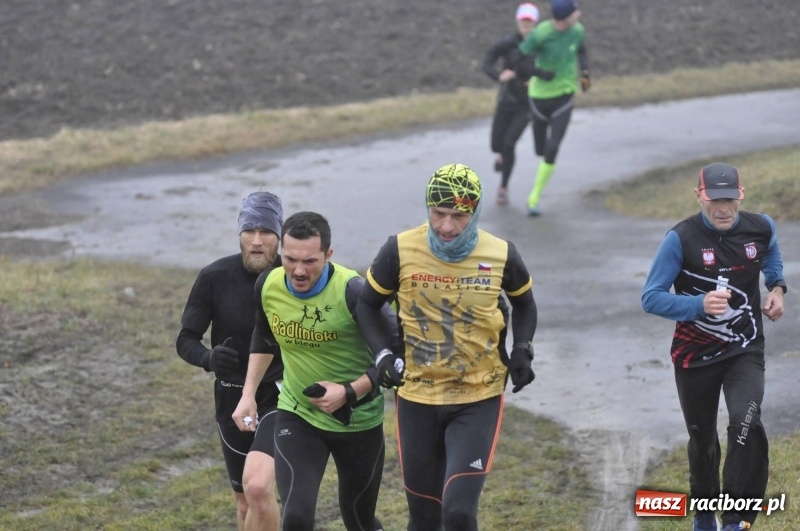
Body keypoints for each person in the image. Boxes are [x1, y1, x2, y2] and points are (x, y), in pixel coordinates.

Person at [356, 163, 538, 531]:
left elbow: (525, 303)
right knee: (423, 519)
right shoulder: (399, 250)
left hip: (477, 397)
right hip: (417, 398)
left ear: (475, 211)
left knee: (457, 513)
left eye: (459, 216)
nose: (447, 227)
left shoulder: (501, 253)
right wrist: (383, 356)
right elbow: (367, 305)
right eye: (438, 214)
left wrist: (523, 349)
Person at [642, 163, 787, 531]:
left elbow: (769, 254)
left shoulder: (760, 226)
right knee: (702, 440)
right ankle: (704, 515)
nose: (723, 209)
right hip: (695, 356)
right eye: (714, 200)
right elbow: (651, 298)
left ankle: (736, 520)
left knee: (745, 422)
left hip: (745, 349)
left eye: (730, 200)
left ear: (741, 195)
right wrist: (697, 305)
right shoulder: (680, 239)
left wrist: (776, 287)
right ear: (699, 196)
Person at [232, 211, 398, 531]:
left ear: (328, 254)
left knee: (359, 519)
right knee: (295, 518)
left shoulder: (353, 292)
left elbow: (395, 358)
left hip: (358, 420)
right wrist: (248, 394)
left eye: (309, 261)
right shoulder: (268, 284)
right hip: (299, 413)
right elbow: (264, 338)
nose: (298, 270)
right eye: (290, 258)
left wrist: (349, 391)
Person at [176, 191, 284, 531]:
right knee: (244, 501)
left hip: (282, 395)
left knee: (261, 489)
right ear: (239, 234)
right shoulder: (214, 276)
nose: (256, 241)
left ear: (279, 236)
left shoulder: (292, 276)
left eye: (265, 232)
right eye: (248, 232)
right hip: (231, 397)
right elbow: (185, 340)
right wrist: (208, 358)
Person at [516, 0, 590, 216]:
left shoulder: (577, 31)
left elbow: (582, 51)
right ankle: (543, 157)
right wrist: (539, 73)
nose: (579, 14)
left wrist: (585, 73)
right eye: (575, 11)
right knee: (540, 149)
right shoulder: (540, 33)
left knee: (552, 148)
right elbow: (520, 59)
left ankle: (534, 197)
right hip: (539, 97)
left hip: (565, 96)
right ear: (564, 17)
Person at [482, 3, 550, 205]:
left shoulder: (541, 45)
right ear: (518, 21)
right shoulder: (508, 43)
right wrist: (498, 75)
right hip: (506, 100)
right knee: (496, 145)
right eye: (523, 20)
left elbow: (549, 71)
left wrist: (535, 80)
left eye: (530, 21)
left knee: (509, 143)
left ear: (535, 23)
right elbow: (487, 61)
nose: (526, 24)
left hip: (526, 105)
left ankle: (503, 188)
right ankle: (501, 155)